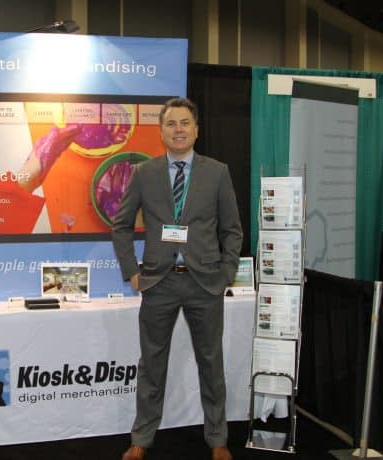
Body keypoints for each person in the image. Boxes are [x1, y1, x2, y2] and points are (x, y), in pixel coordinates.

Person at [112, 97, 242, 460]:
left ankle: (218, 440)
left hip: (205, 284)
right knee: (151, 364)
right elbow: (121, 226)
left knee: (210, 363)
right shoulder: (145, 174)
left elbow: (233, 230)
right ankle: (142, 438)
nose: (179, 130)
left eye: (186, 123)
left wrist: (227, 272)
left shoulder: (218, 172)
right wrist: (133, 273)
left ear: (196, 130)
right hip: (158, 283)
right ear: (162, 131)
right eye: (172, 124)